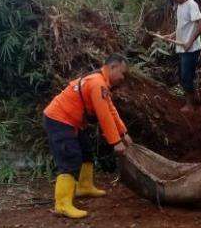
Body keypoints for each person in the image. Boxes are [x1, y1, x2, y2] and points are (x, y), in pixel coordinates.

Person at [43, 54, 133, 219]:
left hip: (73, 121)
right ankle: (62, 204)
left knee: (86, 151)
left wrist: (123, 132)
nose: (122, 78)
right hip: (59, 119)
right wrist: (116, 142)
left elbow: (110, 108)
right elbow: (103, 115)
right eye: (122, 73)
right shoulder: (97, 83)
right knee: (70, 158)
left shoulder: (100, 83)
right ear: (112, 67)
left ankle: (84, 186)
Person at [160, 0, 201, 113]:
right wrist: (172, 35)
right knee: (187, 74)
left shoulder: (191, 5)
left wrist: (189, 42)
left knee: (186, 76)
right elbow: (184, 25)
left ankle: (190, 105)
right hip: (184, 47)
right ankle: (196, 98)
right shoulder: (180, 5)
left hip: (191, 49)